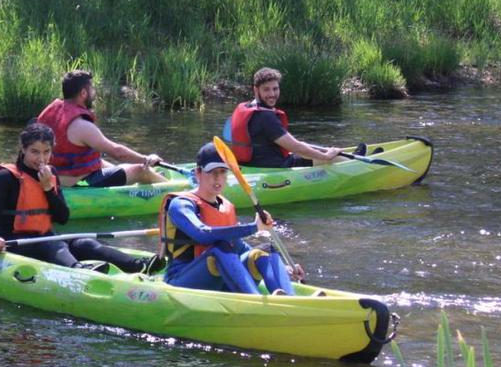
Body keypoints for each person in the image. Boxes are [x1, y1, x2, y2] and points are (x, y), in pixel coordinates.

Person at [0, 123, 149, 273]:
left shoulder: (51, 175)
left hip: (45, 237)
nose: (41, 159)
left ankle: (139, 265)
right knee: (54, 243)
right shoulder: (7, 177)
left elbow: (63, 218)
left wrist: (48, 188)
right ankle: (79, 271)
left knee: (85, 243)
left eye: (46, 152)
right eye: (34, 152)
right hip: (15, 242)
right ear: (23, 149)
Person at [158, 143, 301, 295]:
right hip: (183, 280)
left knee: (265, 251)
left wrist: (282, 269)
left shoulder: (225, 206)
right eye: (212, 172)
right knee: (220, 251)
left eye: (222, 172)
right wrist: (253, 227)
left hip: (220, 277)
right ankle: (255, 302)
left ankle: (291, 300)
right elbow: (202, 234)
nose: (218, 178)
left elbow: (239, 246)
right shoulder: (181, 205)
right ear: (198, 173)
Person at [36, 70, 167, 188]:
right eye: (92, 88)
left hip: (55, 177)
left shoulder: (50, 112)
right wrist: (147, 159)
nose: (94, 92)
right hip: (79, 183)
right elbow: (118, 153)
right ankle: (176, 191)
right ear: (83, 93)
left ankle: (150, 175)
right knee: (141, 170)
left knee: (101, 162)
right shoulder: (81, 126)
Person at [223, 67, 353, 168]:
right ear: (256, 90)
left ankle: (354, 155)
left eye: (275, 89)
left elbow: (292, 144)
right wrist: (326, 156)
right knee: (336, 159)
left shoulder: (245, 107)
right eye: (266, 90)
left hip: (250, 166)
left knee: (310, 151)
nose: (272, 94)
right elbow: (295, 147)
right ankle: (354, 161)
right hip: (277, 168)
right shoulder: (266, 117)